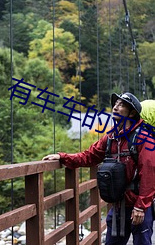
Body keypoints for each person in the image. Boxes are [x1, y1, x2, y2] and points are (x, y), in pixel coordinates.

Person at [42, 92, 155, 245]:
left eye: (121, 105)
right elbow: (89, 156)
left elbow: (149, 174)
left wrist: (141, 207)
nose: (115, 107)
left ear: (132, 112)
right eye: (115, 104)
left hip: (138, 206)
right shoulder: (111, 138)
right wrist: (63, 157)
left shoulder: (144, 138)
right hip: (118, 205)